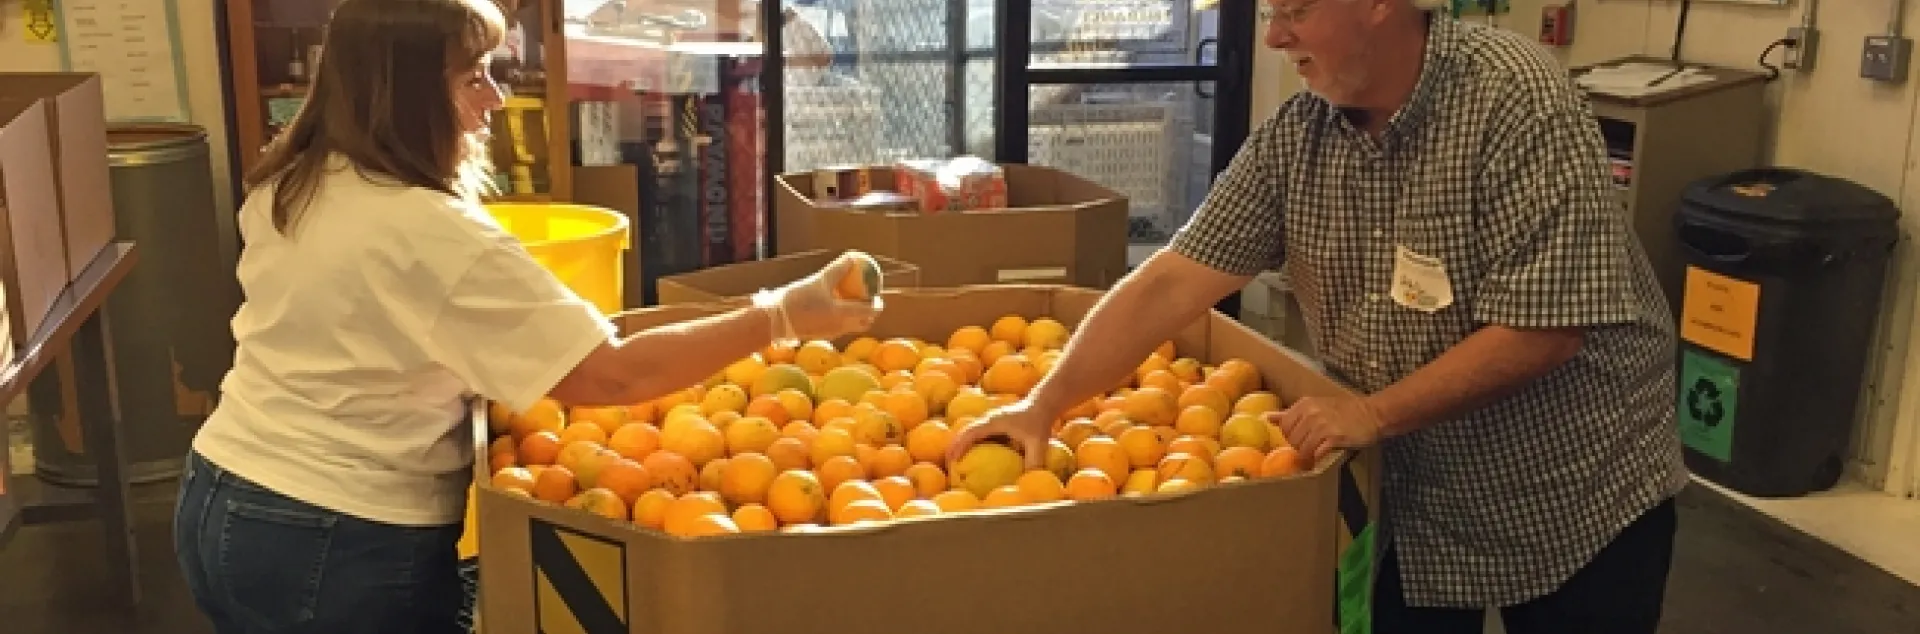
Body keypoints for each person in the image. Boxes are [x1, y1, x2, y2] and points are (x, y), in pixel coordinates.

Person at [946, 1, 1683, 632]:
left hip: (1574, 493)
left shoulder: (1515, 98)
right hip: (1414, 496)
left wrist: (1376, 412)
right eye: (1270, 13)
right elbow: (1171, 284)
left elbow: (1544, 330)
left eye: (1296, 10)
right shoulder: (1299, 136)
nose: (1272, 38)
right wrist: (1044, 405)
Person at [170, 1, 879, 632]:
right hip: (336, 537)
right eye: (473, 76)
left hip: (218, 497)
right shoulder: (431, 234)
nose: (497, 99)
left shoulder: (296, 179)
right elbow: (615, 373)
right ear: (408, 94)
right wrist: (784, 313)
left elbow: (369, 329)